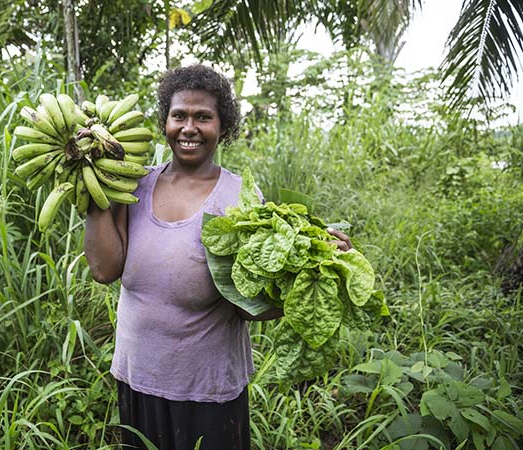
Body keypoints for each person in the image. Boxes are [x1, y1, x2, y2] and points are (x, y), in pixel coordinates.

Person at [83, 64, 352, 450]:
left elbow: (249, 305)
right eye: (179, 115)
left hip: (208, 391)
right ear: (164, 123)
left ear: (223, 128)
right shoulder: (132, 184)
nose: (189, 127)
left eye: (203, 117)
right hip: (138, 378)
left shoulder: (240, 200)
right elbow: (104, 269)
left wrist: (319, 262)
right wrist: (91, 183)